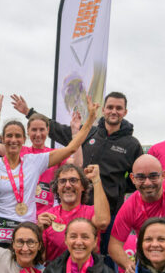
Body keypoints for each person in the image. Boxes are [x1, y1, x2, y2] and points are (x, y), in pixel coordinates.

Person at [11, 91, 143, 253]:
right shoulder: (88, 132)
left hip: (109, 213)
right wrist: (28, 112)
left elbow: (137, 178)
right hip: (79, 209)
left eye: (118, 108)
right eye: (110, 107)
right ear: (103, 110)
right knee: (73, 251)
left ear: (125, 112)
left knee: (106, 256)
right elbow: (57, 129)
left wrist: (118, 188)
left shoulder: (132, 144)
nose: (114, 111)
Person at [0, 94, 97, 244]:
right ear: (2, 139)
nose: (14, 140)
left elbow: (72, 150)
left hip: (30, 225)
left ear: (24, 139)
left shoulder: (35, 160)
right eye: (9, 136)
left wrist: (89, 121)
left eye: (18, 136)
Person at [38, 163, 110, 263]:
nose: (67, 185)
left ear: (83, 186)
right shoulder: (47, 217)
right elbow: (40, 260)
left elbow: (103, 222)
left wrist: (96, 179)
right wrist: (39, 232)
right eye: (62, 181)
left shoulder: (92, 212)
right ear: (57, 188)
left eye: (73, 180)